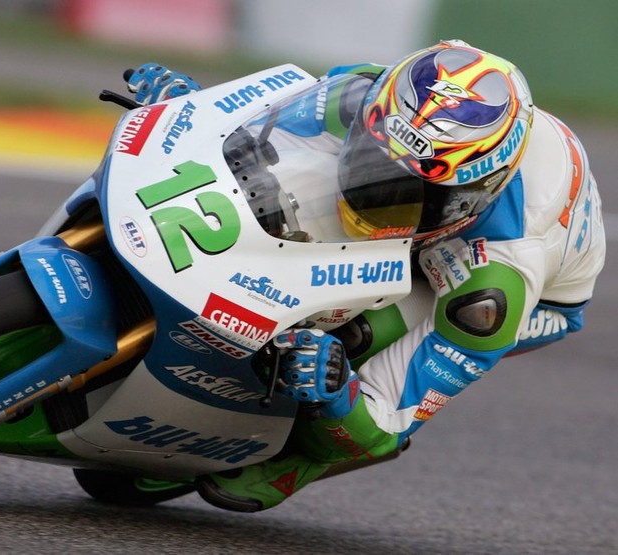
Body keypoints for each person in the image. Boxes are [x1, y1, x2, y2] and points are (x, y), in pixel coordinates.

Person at [125, 40, 606, 512]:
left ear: (473, 193)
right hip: (452, 194)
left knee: (354, 337)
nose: (373, 193)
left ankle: (298, 461)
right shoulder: (372, 92)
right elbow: (261, 123)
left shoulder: (497, 278)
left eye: (415, 191)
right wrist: (194, 111)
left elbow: (387, 419)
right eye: (371, 159)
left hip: (535, 296)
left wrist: (338, 390)